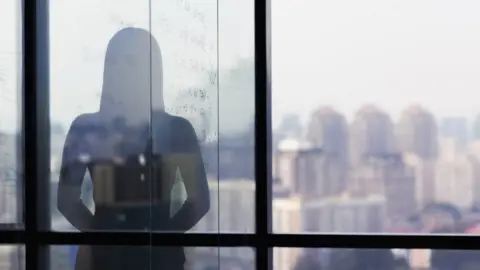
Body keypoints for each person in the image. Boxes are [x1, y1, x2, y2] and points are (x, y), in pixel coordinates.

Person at [57, 27, 210, 270]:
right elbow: (66, 201)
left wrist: (107, 236)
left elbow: (199, 201)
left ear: (150, 70)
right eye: (112, 61)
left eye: (130, 61)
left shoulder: (176, 130)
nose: (119, 69)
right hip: (117, 258)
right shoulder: (86, 128)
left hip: (144, 258)